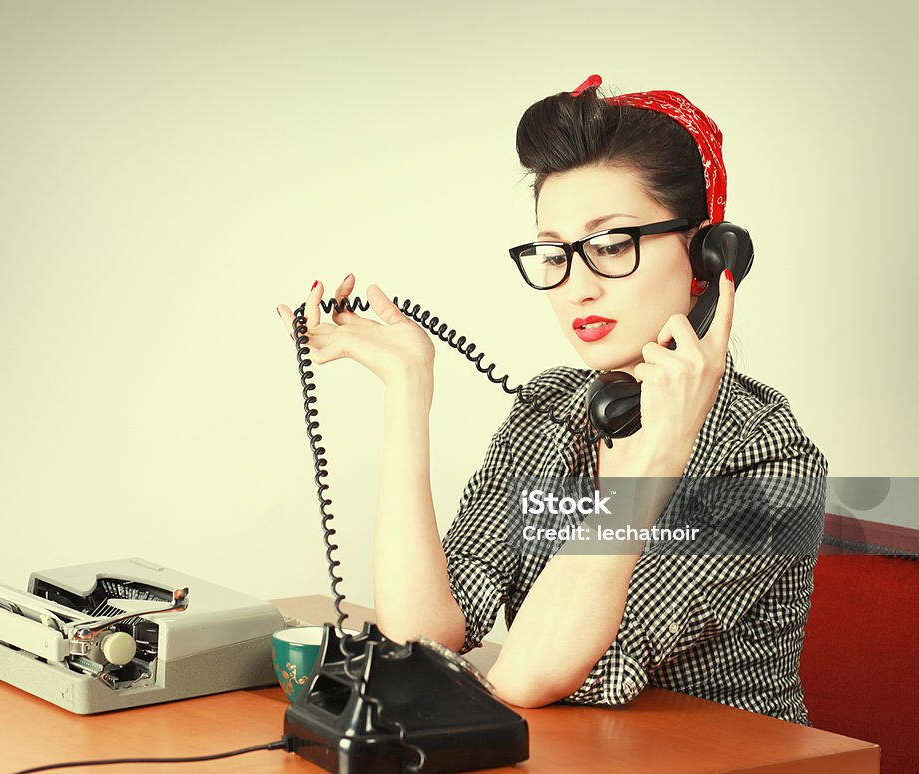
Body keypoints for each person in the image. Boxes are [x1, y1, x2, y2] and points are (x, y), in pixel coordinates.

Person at [275, 74, 827, 725]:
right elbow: (419, 638)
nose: (577, 288)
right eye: (553, 252)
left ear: (708, 255)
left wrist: (655, 459)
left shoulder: (771, 459)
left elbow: (533, 675)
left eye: (612, 245)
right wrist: (407, 389)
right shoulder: (553, 409)